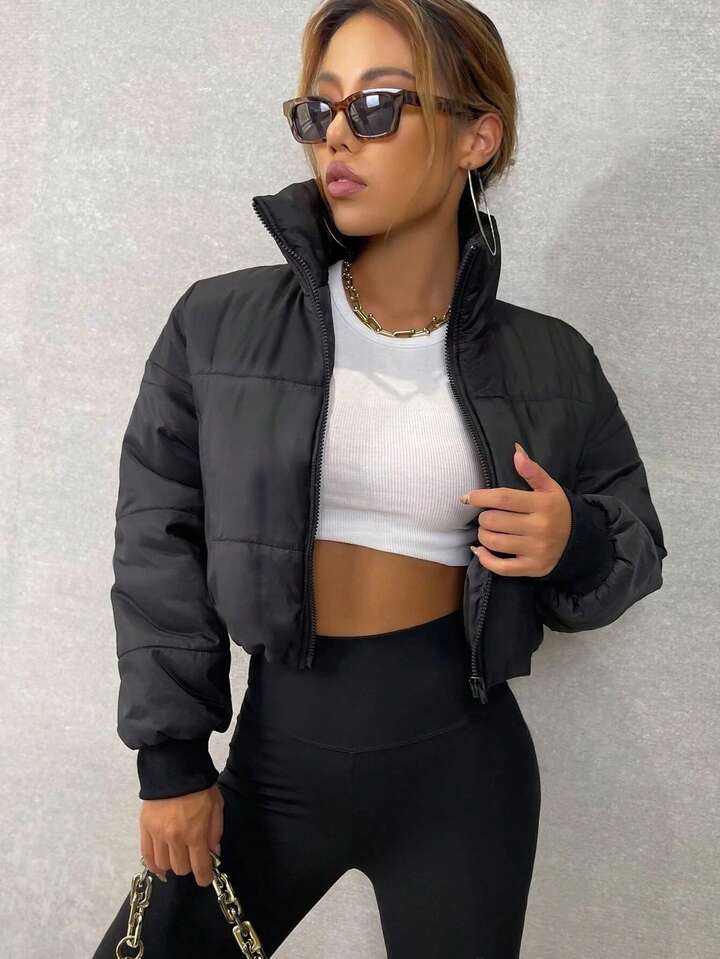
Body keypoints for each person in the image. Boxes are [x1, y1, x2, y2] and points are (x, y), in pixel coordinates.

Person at [93, 2, 667, 957]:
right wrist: (170, 759)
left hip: (464, 778)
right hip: (273, 767)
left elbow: (636, 544)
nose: (337, 138)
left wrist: (576, 540)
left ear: (476, 136)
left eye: (377, 107)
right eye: (319, 110)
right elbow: (158, 539)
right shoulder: (218, 326)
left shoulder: (552, 361)